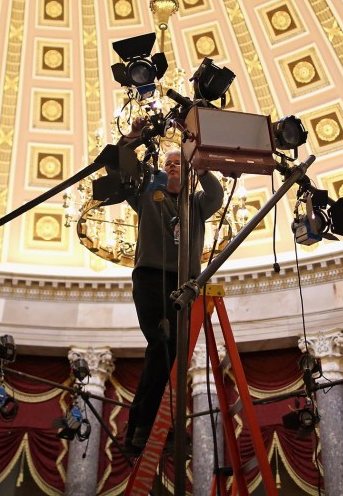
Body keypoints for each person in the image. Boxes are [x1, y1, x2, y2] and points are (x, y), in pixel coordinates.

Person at [119, 116, 223, 456]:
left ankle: (143, 429)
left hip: (184, 284)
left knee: (167, 354)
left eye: (179, 163)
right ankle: (149, 429)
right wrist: (133, 139)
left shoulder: (196, 204)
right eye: (168, 163)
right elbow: (122, 169)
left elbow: (217, 194)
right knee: (161, 345)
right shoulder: (150, 197)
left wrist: (201, 164)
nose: (173, 167)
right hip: (151, 277)